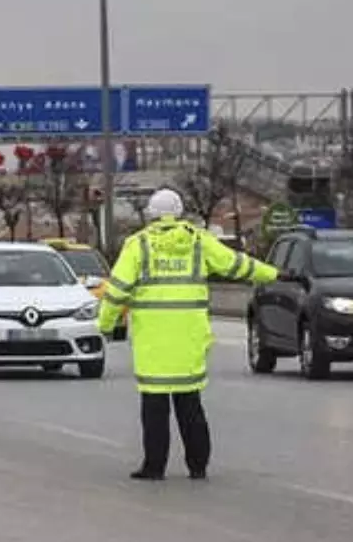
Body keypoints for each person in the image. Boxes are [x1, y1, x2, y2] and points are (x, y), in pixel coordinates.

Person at [97, 189, 288, 481]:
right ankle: (198, 466)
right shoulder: (199, 242)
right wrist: (274, 274)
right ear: (181, 212)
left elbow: (117, 290)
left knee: (155, 409)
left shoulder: (139, 245)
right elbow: (236, 264)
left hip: (153, 342)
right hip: (189, 338)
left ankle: (154, 466)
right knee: (190, 405)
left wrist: (106, 324)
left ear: (150, 214)